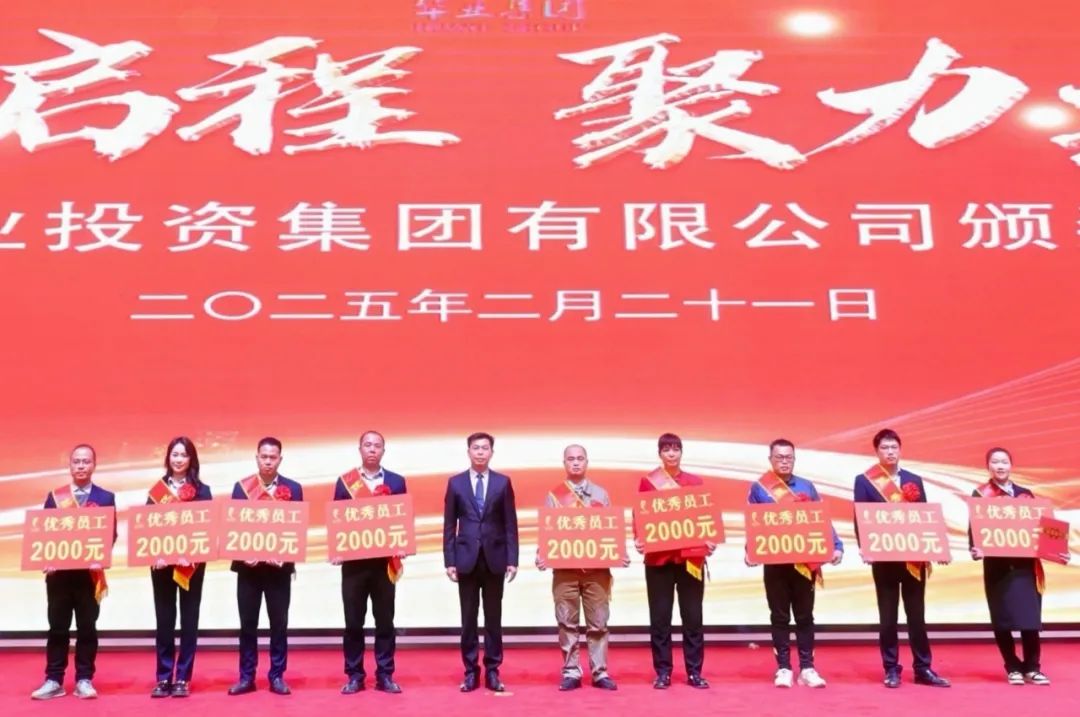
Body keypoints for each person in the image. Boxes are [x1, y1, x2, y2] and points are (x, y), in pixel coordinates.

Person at [853, 429, 950, 688]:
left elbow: (925, 517)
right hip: (884, 559)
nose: (890, 452)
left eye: (894, 447)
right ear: (877, 451)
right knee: (888, 618)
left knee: (917, 616)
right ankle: (891, 668)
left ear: (900, 450)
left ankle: (923, 668)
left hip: (913, 560)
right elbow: (860, 518)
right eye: (885, 448)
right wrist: (865, 547)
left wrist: (936, 549)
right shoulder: (865, 481)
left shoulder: (913, 480)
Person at [746, 439, 843, 688]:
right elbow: (753, 524)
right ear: (770, 459)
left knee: (804, 616)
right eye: (779, 457)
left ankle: (807, 668)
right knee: (779, 617)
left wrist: (836, 546)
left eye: (788, 457)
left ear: (794, 459)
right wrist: (750, 551)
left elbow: (821, 520)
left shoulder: (806, 486)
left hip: (803, 562)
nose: (784, 461)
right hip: (775, 563)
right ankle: (784, 668)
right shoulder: (759, 488)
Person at [970, 447, 1066, 686]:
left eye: (1004, 462)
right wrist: (976, 548)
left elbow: (1041, 528)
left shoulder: (1025, 495)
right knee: (1002, 618)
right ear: (988, 466)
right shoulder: (981, 494)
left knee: (1029, 617)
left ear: (1011, 465)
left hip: (1025, 566)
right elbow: (974, 528)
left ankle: (1032, 667)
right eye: (995, 462)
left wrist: (1057, 550)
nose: (1000, 466)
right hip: (997, 566)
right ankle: (1012, 666)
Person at [535, 444, 626, 691]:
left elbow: (610, 529)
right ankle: (571, 672)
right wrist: (542, 555)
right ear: (564, 463)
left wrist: (620, 552)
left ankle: (600, 672)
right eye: (571, 459)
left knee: (599, 624)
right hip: (565, 572)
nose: (575, 462)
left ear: (587, 462)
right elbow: (547, 532)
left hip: (596, 572)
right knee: (567, 623)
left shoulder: (601, 494)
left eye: (580, 458)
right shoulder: (554, 496)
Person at [31, 444, 116, 701]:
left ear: (94, 465)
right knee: (57, 628)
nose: (81, 465)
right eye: (76, 461)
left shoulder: (105, 497)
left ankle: (84, 679)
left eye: (86, 461)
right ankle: (54, 679)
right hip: (59, 576)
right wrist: (47, 559)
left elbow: (110, 534)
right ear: (70, 465)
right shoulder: (55, 497)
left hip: (89, 575)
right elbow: (45, 533)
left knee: (87, 627)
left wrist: (100, 557)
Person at [636, 433, 715, 690]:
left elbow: (704, 517)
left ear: (682, 452)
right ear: (659, 453)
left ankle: (694, 672)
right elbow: (640, 515)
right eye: (666, 449)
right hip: (658, 560)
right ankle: (663, 672)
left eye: (676, 449)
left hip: (690, 559)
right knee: (660, 618)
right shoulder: (649, 482)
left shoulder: (695, 482)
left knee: (693, 617)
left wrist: (709, 539)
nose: (671, 453)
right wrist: (639, 538)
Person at [227, 437, 304, 697]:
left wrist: (287, 556)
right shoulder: (242, 488)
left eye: (273, 457)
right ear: (257, 458)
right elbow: (234, 528)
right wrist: (242, 553)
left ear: (280, 459)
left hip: (278, 571)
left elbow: (296, 530)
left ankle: (277, 676)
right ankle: (246, 676)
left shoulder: (293, 489)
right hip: (248, 570)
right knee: (247, 624)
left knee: (278, 624)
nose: (268, 461)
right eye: (264, 456)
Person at [443, 432, 519, 693]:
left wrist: (512, 559)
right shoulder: (455, 483)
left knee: (493, 619)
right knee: (468, 619)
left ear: (491, 453)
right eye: (475, 448)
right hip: (466, 559)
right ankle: (470, 672)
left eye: (485, 448)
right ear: (468, 452)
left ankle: (493, 671)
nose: (480, 452)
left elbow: (510, 523)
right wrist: (449, 560)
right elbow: (449, 525)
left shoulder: (502, 482)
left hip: (495, 558)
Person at [334, 430, 407, 695]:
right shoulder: (345, 483)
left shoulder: (397, 482)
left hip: (384, 564)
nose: (372, 449)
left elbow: (401, 519)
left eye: (377, 445)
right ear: (360, 449)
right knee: (353, 622)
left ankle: (385, 675)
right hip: (354, 564)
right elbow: (338, 520)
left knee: (385, 621)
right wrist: (337, 548)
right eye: (367, 445)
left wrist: (402, 543)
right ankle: (355, 675)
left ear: (383, 451)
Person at [148, 437, 213, 698]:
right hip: (162, 565)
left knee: (189, 620)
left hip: (191, 566)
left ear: (191, 459)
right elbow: (148, 528)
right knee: (164, 621)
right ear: (168, 458)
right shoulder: (157, 491)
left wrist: (193, 555)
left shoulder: (202, 491)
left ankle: (183, 677)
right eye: (174, 454)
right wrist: (155, 554)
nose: (178, 459)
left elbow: (207, 529)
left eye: (183, 455)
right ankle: (163, 677)